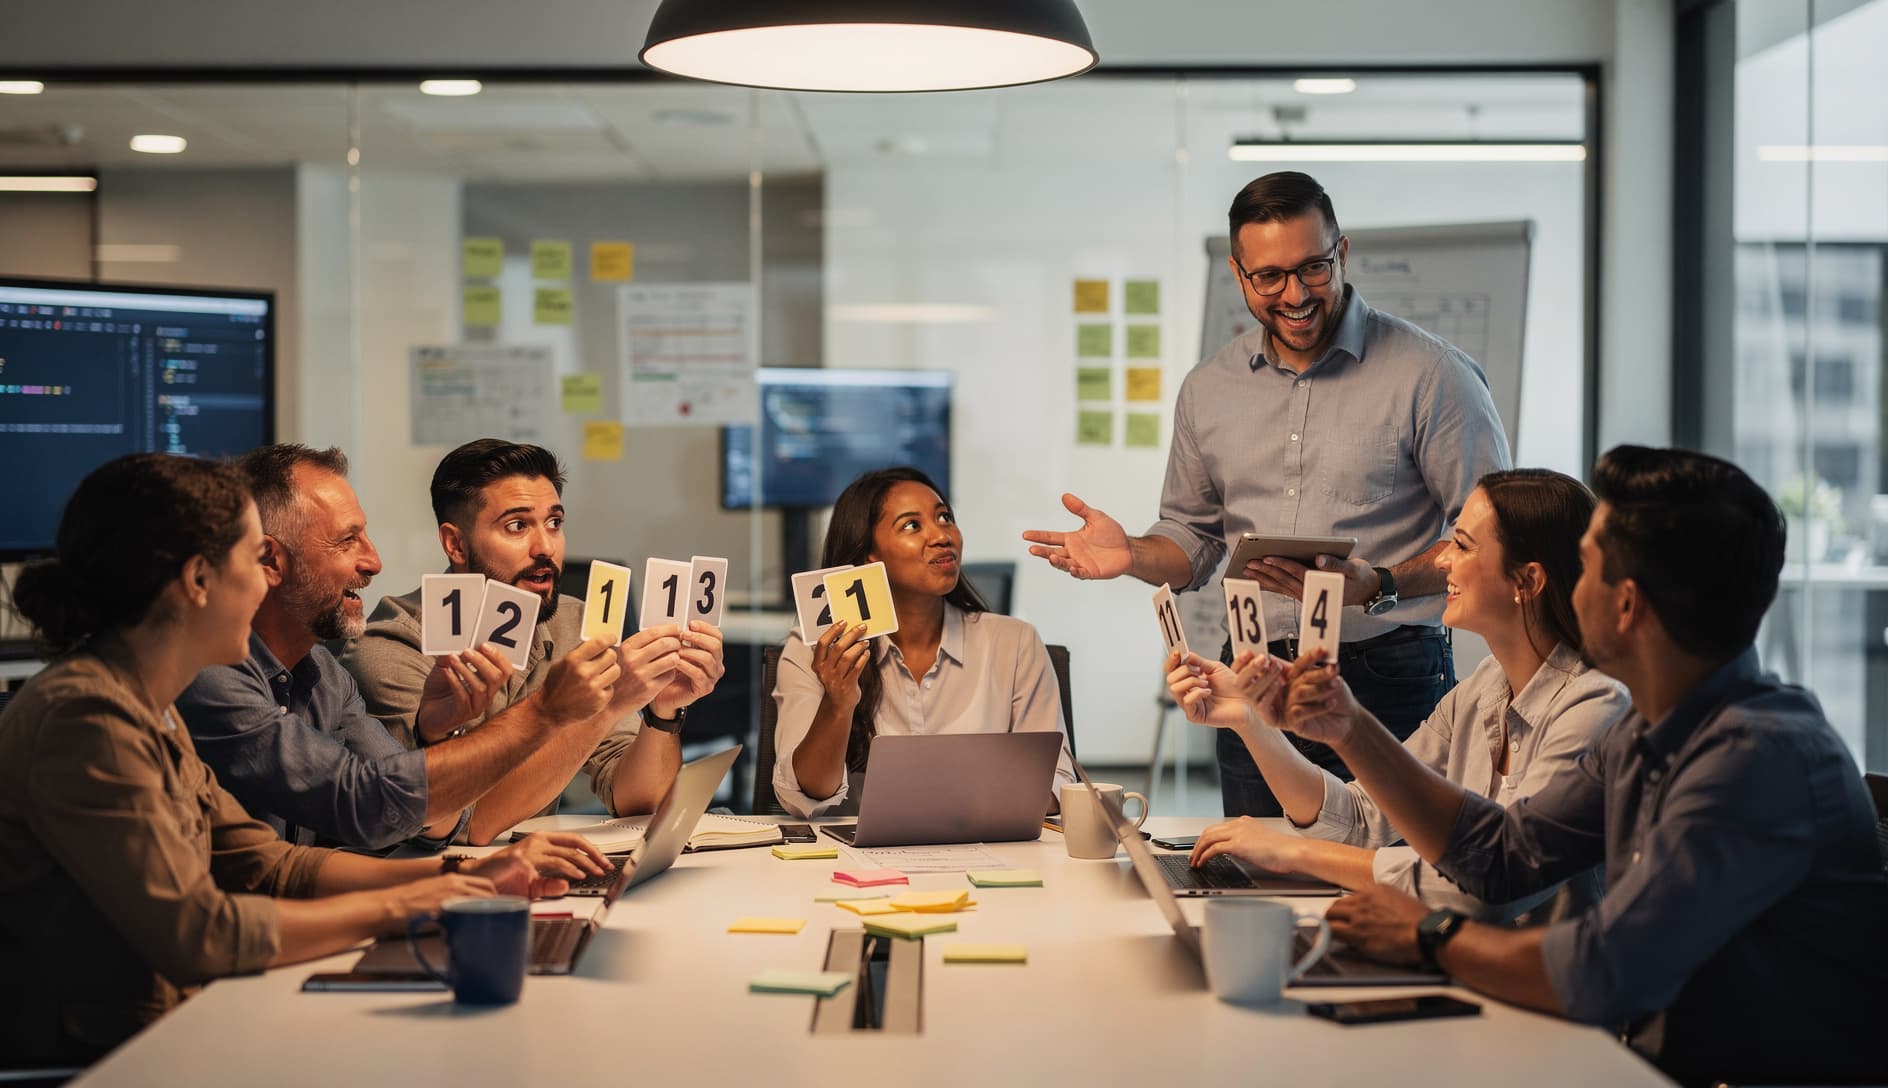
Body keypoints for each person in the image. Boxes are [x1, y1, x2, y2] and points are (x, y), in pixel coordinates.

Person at [1279, 446, 1888, 1085]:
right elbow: (1502, 855)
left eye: (1587, 566)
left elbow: (1605, 973)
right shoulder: (1648, 731)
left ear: (1627, 606)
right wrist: (1347, 727)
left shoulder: (1754, 761)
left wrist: (1430, 936)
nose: (1570, 582)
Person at [0, 453, 607, 1065]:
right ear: (198, 581)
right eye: (253, 560)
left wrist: (462, 880)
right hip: (109, 1060)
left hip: (180, 1030)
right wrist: (418, 903)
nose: (265, 580)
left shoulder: (145, 705)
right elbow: (199, 934)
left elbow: (274, 867)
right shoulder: (89, 716)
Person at [1022, 170, 1511, 818]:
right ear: (1238, 273)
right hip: (1251, 672)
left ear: (1341, 253)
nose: (1295, 294)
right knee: (1258, 880)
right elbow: (1193, 540)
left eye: (1312, 268)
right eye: (1269, 277)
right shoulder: (1210, 388)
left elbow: (1492, 540)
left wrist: (1379, 584)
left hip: (1388, 674)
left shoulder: (1432, 375)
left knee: (1391, 874)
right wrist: (1132, 555)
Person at [1170, 469, 1628, 921]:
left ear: (1527, 581)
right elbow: (1361, 818)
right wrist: (1247, 719)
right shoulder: (1482, 689)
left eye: (1463, 545)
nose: (1443, 560)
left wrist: (1295, 854)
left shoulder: (1594, 709)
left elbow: (1487, 885)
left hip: (1538, 982)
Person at [177, 444, 621, 850]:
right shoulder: (209, 678)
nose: (373, 562)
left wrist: (434, 737)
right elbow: (371, 804)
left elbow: (418, 818)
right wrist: (551, 713)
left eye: (554, 523)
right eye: (348, 540)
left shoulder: (324, 675)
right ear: (270, 560)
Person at [339, 439, 723, 842]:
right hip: (422, 886)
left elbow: (637, 802)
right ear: (455, 544)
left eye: (554, 523)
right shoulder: (391, 649)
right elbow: (472, 827)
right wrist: (604, 707)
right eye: (517, 526)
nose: (545, 548)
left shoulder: (573, 623)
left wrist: (662, 713)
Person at [772, 467, 1075, 818]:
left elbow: (1054, 783)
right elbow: (806, 795)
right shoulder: (816, 648)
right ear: (869, 554)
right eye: (912, 526)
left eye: (944, 517)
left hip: (983, 852)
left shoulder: (1016, 643)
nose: (942, 536)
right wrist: (838, 704)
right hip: (852, 861)